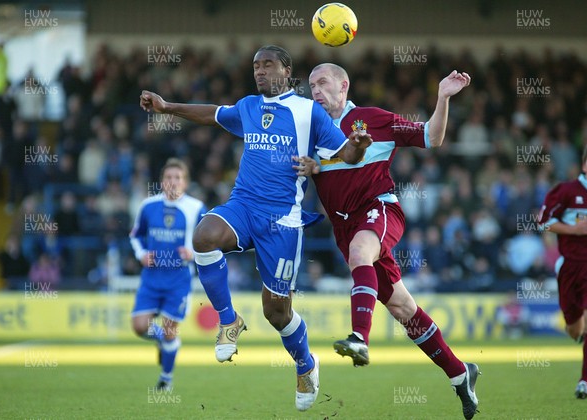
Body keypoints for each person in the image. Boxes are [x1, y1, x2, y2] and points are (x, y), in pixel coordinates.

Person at [139, 45, 371, 411]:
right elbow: (212, 115)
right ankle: (229, 321)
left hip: (282, 221)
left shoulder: (308, 112)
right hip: (243, 206)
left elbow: (346, 153)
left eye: (268, 65)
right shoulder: (248, 106)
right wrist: (168, 107)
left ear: (287, 69)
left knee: (277, 313)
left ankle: (306, 365)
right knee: (203, 236)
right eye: (255, 66)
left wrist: (357, 146)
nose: (260, 71)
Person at [297, 63, 479, 419]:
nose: (315, 90)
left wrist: (443, 97)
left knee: (359, 253)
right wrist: (311, 168)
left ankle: (359, 338)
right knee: (402, 309)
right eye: (311, 85)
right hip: (344, 226)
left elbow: (432, 137)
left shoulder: (372, 119)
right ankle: (460, 373)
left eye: (322, 83)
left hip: (379, 209)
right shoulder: (309, 128)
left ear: (343, 85)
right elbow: (310, 166)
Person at [129, 158, 207, 391]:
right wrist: (141, 254)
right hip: (151, 277)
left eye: (178, 178)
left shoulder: (196, 208)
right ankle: (164, 341)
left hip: (178, 279)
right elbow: (135, 235)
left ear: (186, 182)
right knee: (139, 326)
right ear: (162, 181)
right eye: (169, 177)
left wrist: (193, 253)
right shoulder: (148, 206)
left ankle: (166, 379)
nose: (173, 182)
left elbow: (208, 242)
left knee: (171, 330)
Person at [538, 142, 587, 399]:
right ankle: (581, 334)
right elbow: (543, 222)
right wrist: (574, 230)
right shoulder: (567, 191)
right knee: (575, 327)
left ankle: (584, 381)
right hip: (570, 268)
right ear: (584, 164)